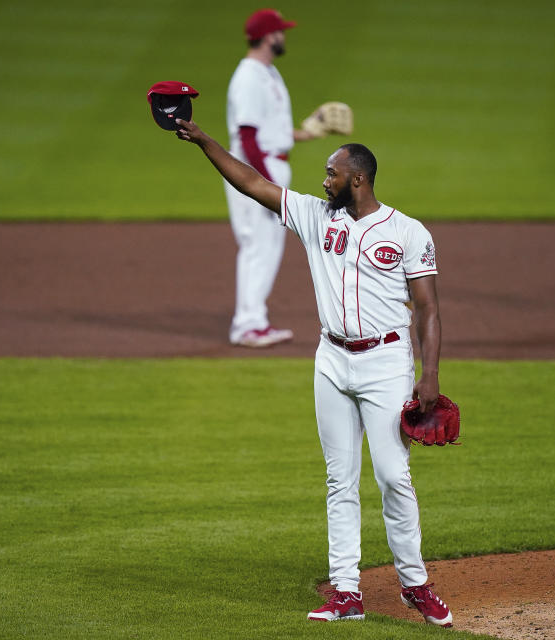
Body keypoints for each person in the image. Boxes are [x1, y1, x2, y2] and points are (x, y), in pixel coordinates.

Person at [174, 117, 454, 627]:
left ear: (359, 180)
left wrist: (429, 375)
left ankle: (415, 584)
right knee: (338, 480)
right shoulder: (313, 216)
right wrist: (204, 141)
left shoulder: (408, 232)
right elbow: (252, 182)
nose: (324, 180)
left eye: (332, 173)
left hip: (388, 363)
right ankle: (346, 592)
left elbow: (429, 309)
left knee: (394, 476)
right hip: (331, 360)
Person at [223, 8, 314, 347]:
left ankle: (254, 321)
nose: (284, 37)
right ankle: (247, 325)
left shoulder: (268, 73)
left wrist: (305, 133)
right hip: (256, 168)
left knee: (268, 244)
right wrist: (264, 184)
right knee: (257, 244)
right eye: (281, 32)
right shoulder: (248, 76)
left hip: (269, 165)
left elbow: (267, 129)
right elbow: (248, 136)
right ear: (268, 36)